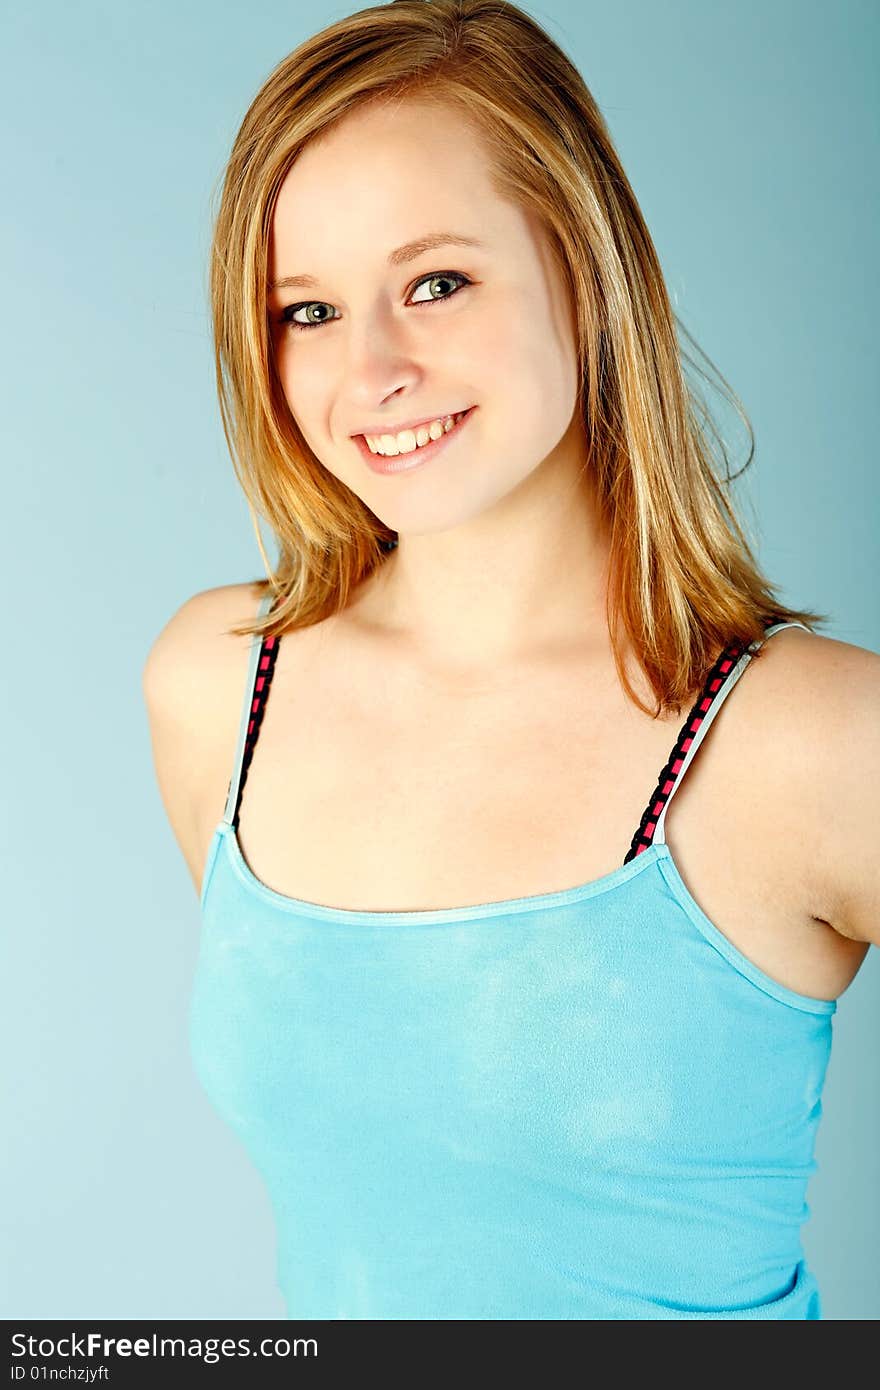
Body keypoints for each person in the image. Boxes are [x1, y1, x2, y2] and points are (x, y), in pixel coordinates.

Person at [142, 0, 879, 1320]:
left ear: (581, 274)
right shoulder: (218, 687)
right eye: (307, 310)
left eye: (436, 283)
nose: (373, 367)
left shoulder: (813, 741)